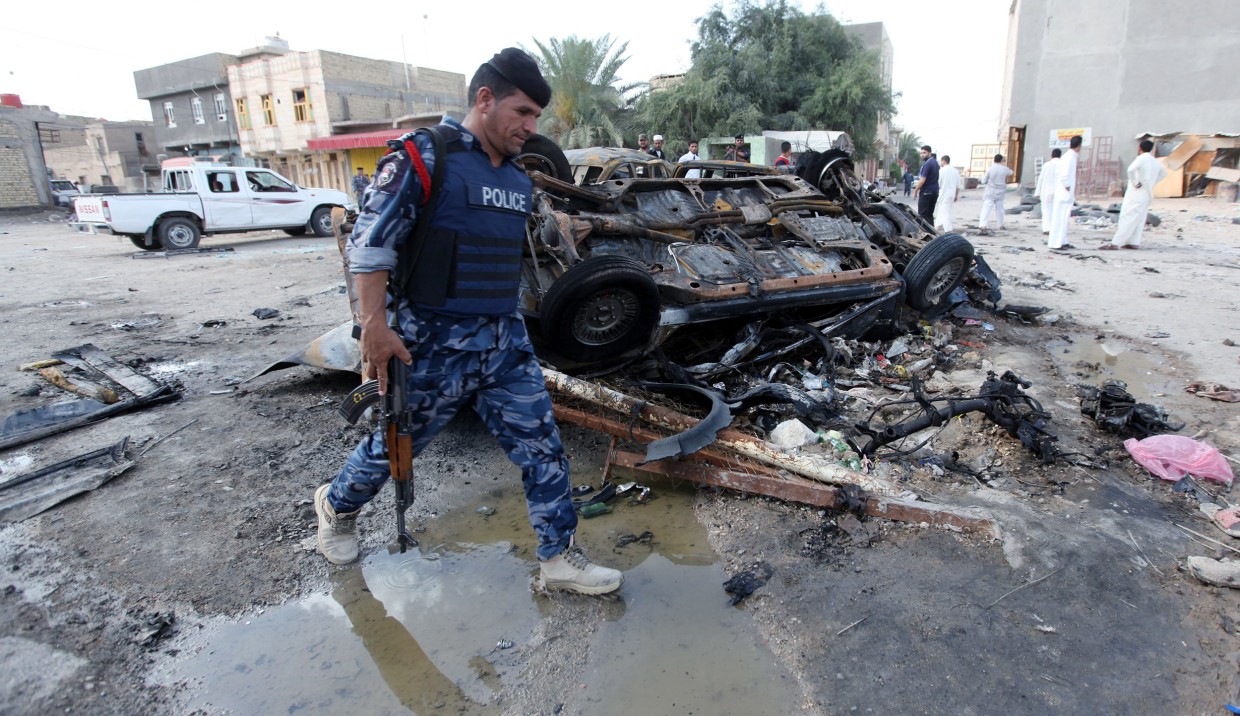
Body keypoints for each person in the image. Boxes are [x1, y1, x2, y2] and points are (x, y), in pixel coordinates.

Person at [314, 47, 623, 595]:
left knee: (543, 448)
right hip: (430, 345)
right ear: (485, 99)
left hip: (503, 345)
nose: (531, 127)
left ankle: (558, 558)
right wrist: (375, 328)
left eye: (536, 117)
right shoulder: (422, 157)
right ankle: (336, 508)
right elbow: (370, 248)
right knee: (393, 448)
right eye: (522, 112)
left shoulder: (518, 180)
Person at [1102, 139, 1166, 250]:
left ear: (1140, 148)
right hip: (1147, 194)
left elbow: (1130, 170)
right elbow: (1163, 174)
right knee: (1140, 218)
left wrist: (1136, 182)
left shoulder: (1141, 159)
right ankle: (1133, 242)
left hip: (1136, 193)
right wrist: (1151, 183)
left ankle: (1116, 243)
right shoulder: (1155, 161)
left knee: (1128, 216)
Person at [1048, 135, 1082, 251]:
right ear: (1079, 146)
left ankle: (1063, 241)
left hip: (1065, 194)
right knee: (1060, 219)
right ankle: (1057, 243)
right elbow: (1064, 176)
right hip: (1064, 193)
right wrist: (1068, 189)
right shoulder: (1069, 158)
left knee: (1064, 220)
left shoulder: (1070, 157)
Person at [978, 153, 1014, 234]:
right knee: (1000, 209)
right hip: (1000, 192)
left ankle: (982, 225)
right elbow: (1011, 172)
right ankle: (1000, 225)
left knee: (986, 209)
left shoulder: (990, 169)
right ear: (1001, 160)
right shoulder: (1004, 169)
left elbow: (983, 180)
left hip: (990, 191)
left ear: (994, 160)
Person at [1034, 149, 1062, 234]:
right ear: (1060, 155)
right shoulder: (1062, 164)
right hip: (1058, 191)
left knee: (1046, 210)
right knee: (1057, 211)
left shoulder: (1046, 165)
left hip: (1046, 191)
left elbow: (1041, 178)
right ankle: (1055, 229)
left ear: (1051, 155)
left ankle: (1046, 229)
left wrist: (1037, 192)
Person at [911, 145, 939, 223]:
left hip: (926, 192)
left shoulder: (927, 164)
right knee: (929, 216)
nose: (922, 155)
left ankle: (923, 230)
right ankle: (931, 230)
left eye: (924, 153)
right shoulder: (935, 162)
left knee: (922, 216)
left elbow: (922, 180)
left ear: (929, 153)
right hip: (934, 192)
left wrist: (915, 190)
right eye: (921, 153)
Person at [934, 155, 961, 232]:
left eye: (941, 161)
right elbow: (958, 186)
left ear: (943, 161)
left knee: (945, 211)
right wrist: (956, 195)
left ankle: (948, 229)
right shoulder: (955, 171)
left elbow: (938, 184)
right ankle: (938, 225)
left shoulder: (941, 171)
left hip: (944, 193)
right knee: (942, 210)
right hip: (952, 193)